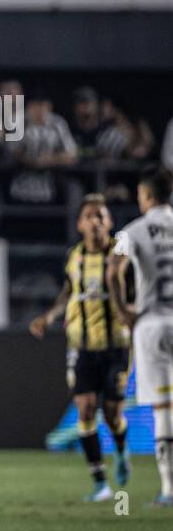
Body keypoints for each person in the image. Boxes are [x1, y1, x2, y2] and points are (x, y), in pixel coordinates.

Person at [30, 195, 131, 500]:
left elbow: (138, 289)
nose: (96, 221)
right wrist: (48, 317)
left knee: (112, 414)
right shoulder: (74, 257)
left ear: (109, 222)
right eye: (89, 216)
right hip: (82, 347)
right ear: (80, 224)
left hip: (116, 345)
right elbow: (68, 292)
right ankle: (100, 483)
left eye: (101, 215)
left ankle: (122, 452)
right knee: (86, 409)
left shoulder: (121, 254)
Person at [107, 168, 173, 507]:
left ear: (146, 196)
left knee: (164, 408)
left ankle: (168, 490)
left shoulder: (132, 230)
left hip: (151, 323)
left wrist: (122, 310)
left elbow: (112, 267)